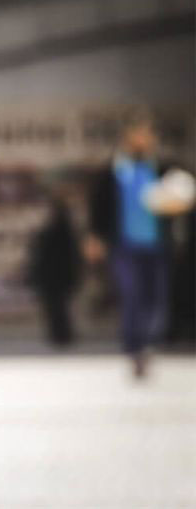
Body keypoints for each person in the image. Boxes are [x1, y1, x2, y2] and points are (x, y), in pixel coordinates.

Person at [84, 108, 193, 379]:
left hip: (158, 247)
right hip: (124, 246)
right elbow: (97, 207)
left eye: (147, 134)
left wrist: (178, 205)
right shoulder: (113, 172)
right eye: (137, 134)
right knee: (132, 295)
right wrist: (94, 236)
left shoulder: (163, 169)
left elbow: (184, 194)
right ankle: (135, 349)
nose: (142, 139)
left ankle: (149, 343)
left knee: (156, 299)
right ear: (127, 137)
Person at [26, 181, 83, 348]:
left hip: (56, 271)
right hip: (51, 271)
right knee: (55, 306)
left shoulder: (60, 224)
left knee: (57, 306)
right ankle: (59, 335)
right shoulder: (55, 222)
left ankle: (61, 336)